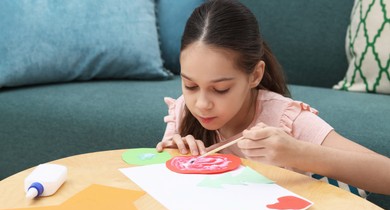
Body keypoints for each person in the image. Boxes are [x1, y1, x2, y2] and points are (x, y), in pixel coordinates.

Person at [156, 0, 390, 196]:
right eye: (190, 85)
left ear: (255, 75)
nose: (201, 104)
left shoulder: (285, 119)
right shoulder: (184, 110)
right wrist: (172, 158)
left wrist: (298, 153)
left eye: (221, 89)